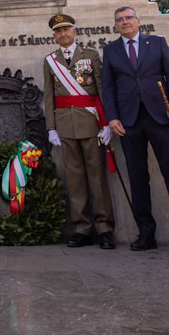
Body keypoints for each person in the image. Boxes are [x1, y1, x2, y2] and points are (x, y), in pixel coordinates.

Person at [101, 6, 169, 255]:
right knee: (138, 179)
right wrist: (112, 117)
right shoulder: (110, 51)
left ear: (138, 20)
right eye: (119, 19)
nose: (124, 22)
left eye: (128, 18)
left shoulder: (156, 43)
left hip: (161, 118)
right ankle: (146, 234)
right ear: (115, 25)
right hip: (129, 122)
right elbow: (108, 87)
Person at [42, 13, 115, 249]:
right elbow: (49, 96)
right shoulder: (50, 61)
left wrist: (108, 122)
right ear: (54, 36)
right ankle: (82, 228)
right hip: (65, 124)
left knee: (97, 177)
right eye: (58, 31)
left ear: (74, 32)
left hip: (91, 123)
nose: (63, 34)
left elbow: (102, 89)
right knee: (75, 179)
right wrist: (51, 128)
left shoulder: (90, 55)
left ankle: (104, 228)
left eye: (66, 29)